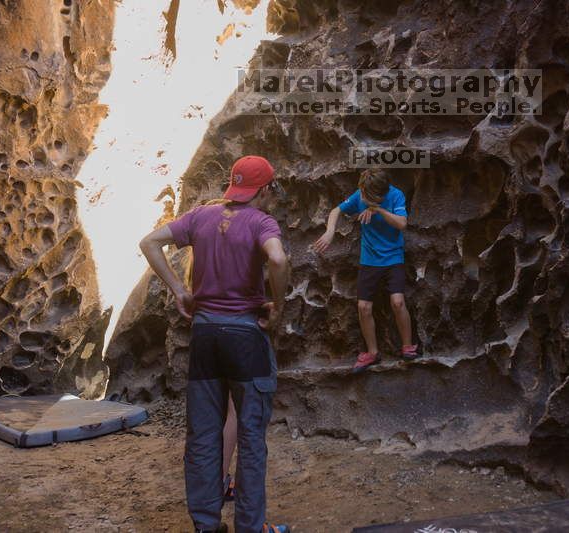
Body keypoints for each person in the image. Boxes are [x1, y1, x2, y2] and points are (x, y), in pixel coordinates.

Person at [139, 155, 291, 533]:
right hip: (245, 338)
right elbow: (277, 257)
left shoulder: (202, 216)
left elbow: (150, 242)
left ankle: (206, 526)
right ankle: (249, 529)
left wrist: (180, 290)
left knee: (203, 435)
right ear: (266, 189)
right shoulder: (262, 221)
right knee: (251, 439)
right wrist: (279, 306)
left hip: (205, 337)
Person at [313, 169, 418, 372]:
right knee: (363, 307)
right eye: (364, 194)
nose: (364, 198)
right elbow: (336, 210)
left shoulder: (395, 194)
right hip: (369, 259)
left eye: (369, 196)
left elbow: (402, 224)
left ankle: (407, 346)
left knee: (397, 302)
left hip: (393, 257)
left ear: (381, 193)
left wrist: (378, 210)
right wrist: (329, 232)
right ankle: (372, 352)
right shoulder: (360, 194)